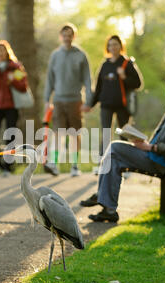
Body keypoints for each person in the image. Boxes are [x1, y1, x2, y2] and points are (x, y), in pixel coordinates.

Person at [80, 70, 165, 222]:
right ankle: (107, 207)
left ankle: (103, 198)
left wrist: (150, 148)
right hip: (159, 157)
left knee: (115, 149)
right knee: (114, 155)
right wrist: (143, 143)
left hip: (164, 162)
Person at [43, 23, 92, 177]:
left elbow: (88, 80)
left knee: (74, 133)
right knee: (58, 133)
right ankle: (55, 164)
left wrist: (89, 101)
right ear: (61, 37)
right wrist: (46, 99)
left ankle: (74, 166)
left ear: (73, 36)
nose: (67, 38)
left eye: (70, 35)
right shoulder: (55, 56)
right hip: (58, 100)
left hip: (75, 100)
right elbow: (49, 79)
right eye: (64, 35)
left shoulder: (81, 55)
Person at [82, 35, 143, 158]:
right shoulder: (105, 65)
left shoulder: (126, 63)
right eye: (110, 45)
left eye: (115, 44)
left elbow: (138, 84)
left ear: (120, 46)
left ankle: (125, 162)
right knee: (105, 133)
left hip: (123, 106)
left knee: (123, 133)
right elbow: (98, 88)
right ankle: (102, 161)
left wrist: (124, 77)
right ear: (107, 48)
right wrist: (90, 104)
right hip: (106, 105)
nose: (113, 47)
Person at [0, 40, 27, 177]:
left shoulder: (16, 67)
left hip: (11, 106)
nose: (0, 53)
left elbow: (23, 86)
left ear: (7, 52)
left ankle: (8, 167)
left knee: (10, 136)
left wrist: (12, 79)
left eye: (2, 50)